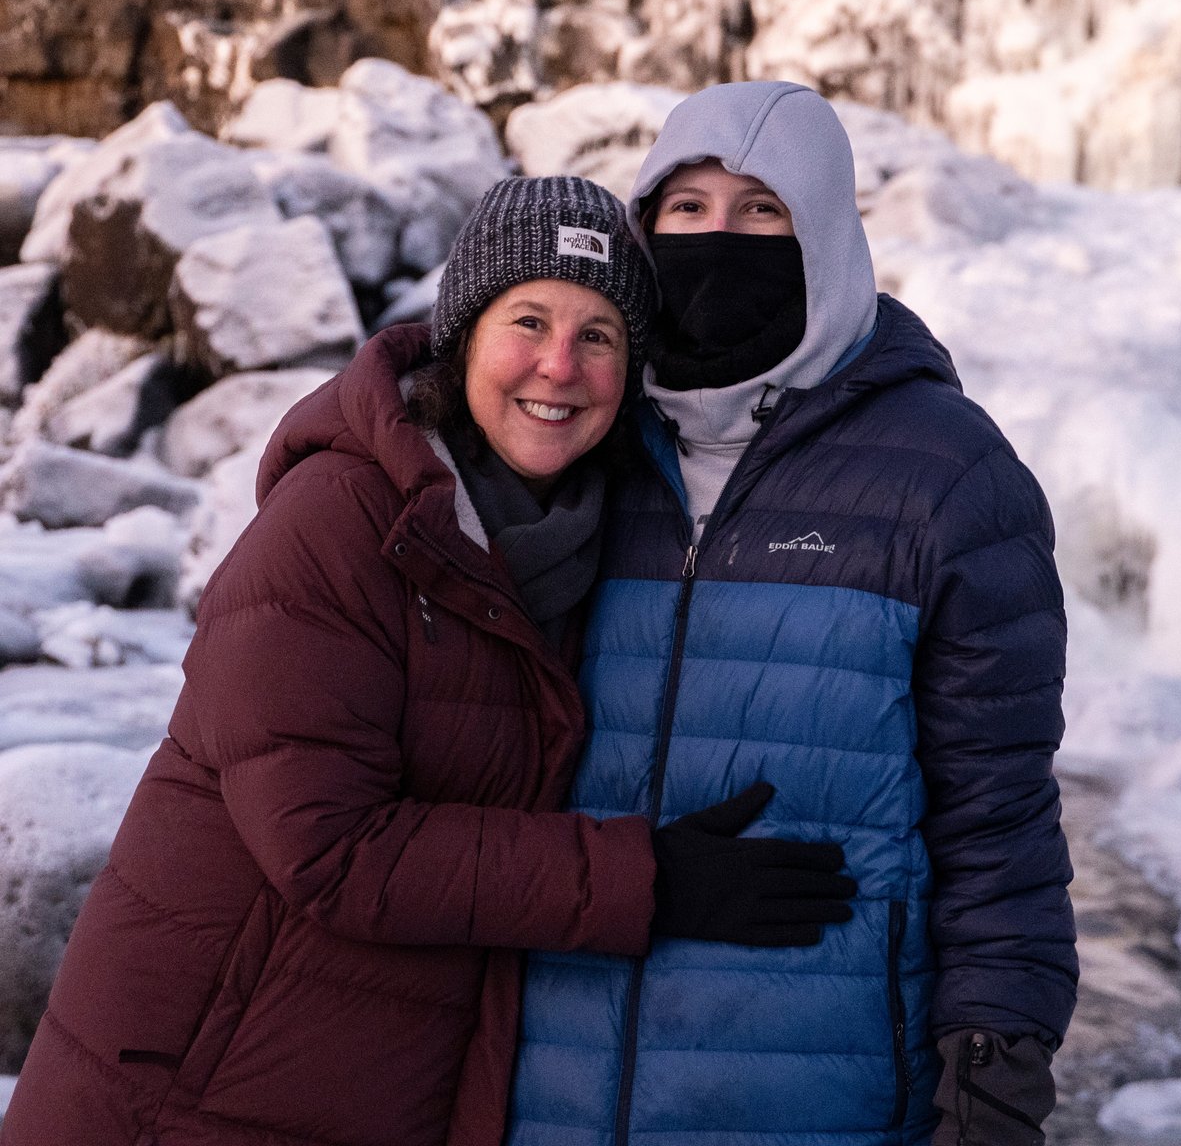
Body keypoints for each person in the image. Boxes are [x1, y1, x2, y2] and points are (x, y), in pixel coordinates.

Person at [4, 175, 852, 1146]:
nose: (560, 366)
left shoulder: (575, 541)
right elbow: (328, 846)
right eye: (527, 322)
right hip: (188, 1092)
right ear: (463, 336)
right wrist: (644, 879)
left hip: (350, 1080)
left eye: (600, 336)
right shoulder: (337, 522)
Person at [509, 81, 1077, 1146]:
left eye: (761, 211)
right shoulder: (572, 445)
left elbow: (997, 818)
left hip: (824, 1095)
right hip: (553, 1086)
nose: (718, 239)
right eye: (687, 209)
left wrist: (995, 1071)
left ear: (822, 232)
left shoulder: (948, 477)